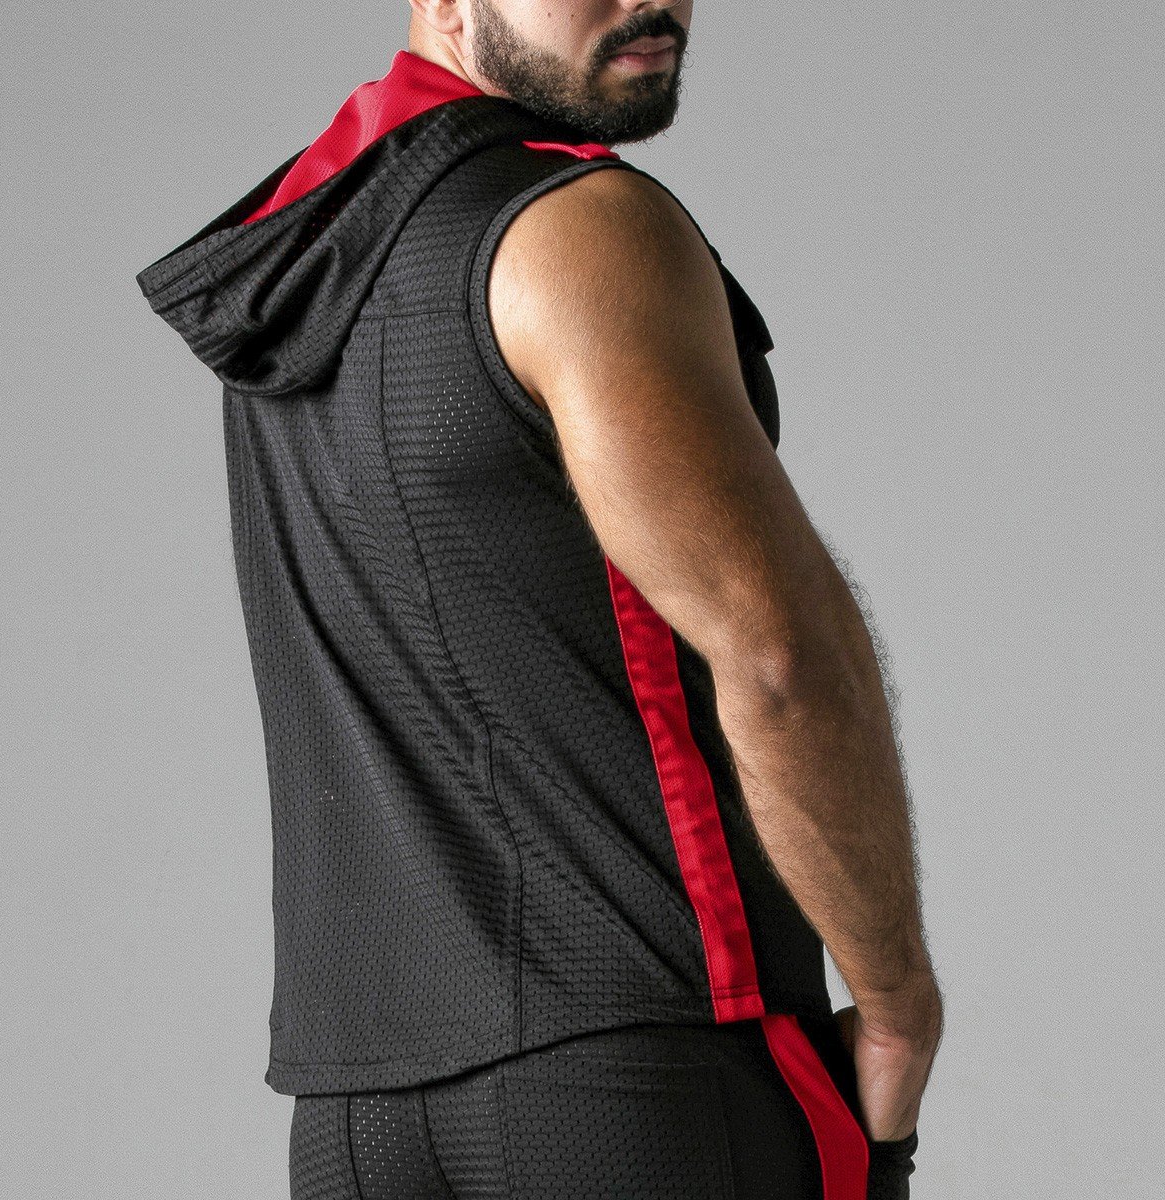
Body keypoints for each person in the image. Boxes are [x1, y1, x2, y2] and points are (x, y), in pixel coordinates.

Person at [136, 2, 944, 1197]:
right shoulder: (577, 227)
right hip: (637, 1077)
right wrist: (896, 1002)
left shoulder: (308, 258)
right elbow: (781, 661)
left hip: (359, 1116)